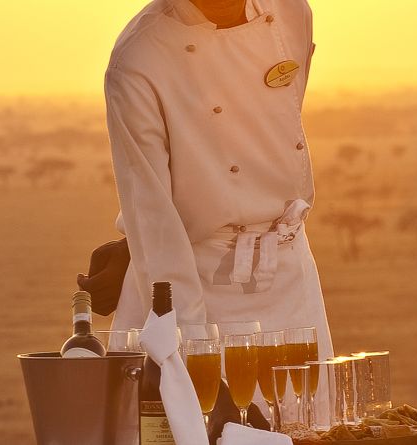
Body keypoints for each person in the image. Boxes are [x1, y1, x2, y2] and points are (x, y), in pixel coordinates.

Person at [103, 0, 332, 362]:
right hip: (199, 285)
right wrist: (192, 349)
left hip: (292, 275)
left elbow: (269, 131)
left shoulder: (292, 12)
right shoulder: (138, 61)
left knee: (311, 414)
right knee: (203, 414)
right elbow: (152, 214)